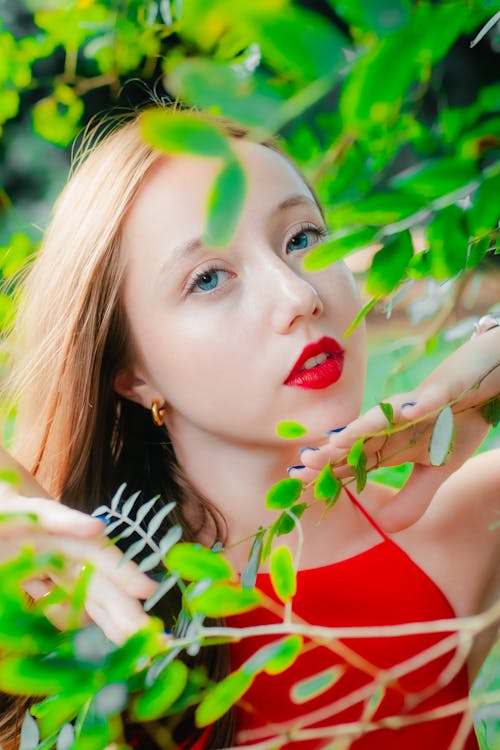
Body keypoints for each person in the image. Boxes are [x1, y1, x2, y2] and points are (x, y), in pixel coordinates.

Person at [0, 106, 499, 750]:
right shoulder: (80, 603)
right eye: (207, 278)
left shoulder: (460, 524)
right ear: (132, 375)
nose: (298, 297)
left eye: (302, 238)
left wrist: (489, 366)